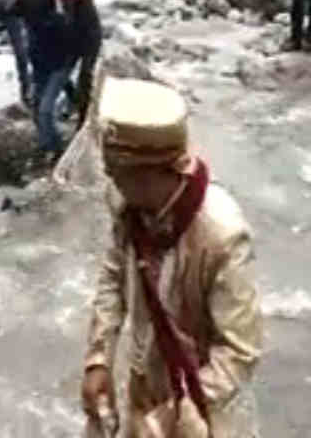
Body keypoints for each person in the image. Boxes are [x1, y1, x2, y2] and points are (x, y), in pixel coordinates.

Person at [80, 78, 262, 437]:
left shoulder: (221, 235)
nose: (111, 182)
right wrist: (98, 357)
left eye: (117, 174)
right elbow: (113, 278)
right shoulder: (128, 204)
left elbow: (240, 351)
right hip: (145, 381)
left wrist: (175, 415)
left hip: (203, 405)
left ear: (150, 172)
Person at [14, 0, 104, 163]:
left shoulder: (70, 4)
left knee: (45, 109)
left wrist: (82, 60)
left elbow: (83, 35)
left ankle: (58, 149)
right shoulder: (49, 2)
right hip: (48, 59)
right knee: (40, 108)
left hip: (62, 59)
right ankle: (52, 144)